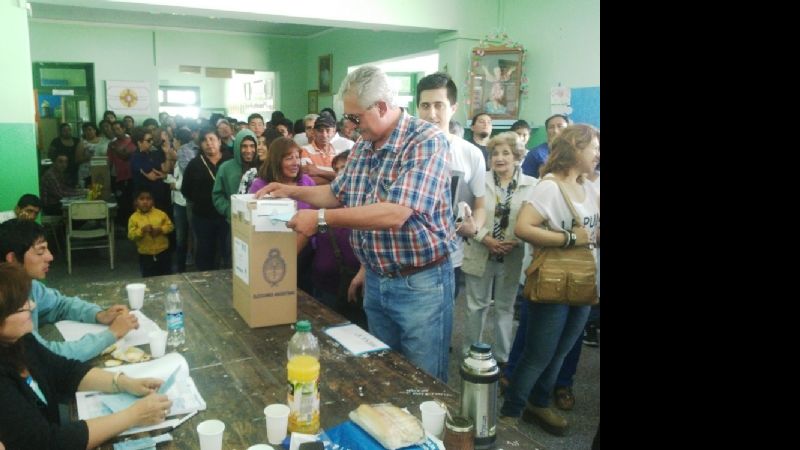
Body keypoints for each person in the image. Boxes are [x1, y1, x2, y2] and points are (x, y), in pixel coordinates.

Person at [254, 66, 456, 382]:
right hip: (377, 278)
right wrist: (291, 189)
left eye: (355, 118)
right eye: (347, 118)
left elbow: (395, 213)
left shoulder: (425, 142)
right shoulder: (363, 145)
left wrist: (319, 219)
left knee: (422, 380)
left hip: (419, 284)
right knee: (385, 372)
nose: (349, 126)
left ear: (382, 107)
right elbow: (337, 193)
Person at [0, 262, 172, 450]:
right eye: (21, 306)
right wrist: (133, 416)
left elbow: (65, 371)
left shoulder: (20, 342)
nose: (32, 306)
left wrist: (124, 382)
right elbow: (48, 442)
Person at [500, 124, 600, 436]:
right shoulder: (549, 186)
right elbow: (524, 228)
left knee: (562, 351)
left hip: (583, 280)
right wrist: (571, 237)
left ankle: (539, 402)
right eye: (594, 148)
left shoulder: (592, 186)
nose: (598, 154)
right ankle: (510, 413)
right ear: (575, 148)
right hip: (554, 280)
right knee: (538, 354)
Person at [0, 219, 139, 362]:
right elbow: (44, 355)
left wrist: (99, 315)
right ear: (12, 258)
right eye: (40, 251)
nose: (50, 257)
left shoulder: (28, 284)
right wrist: (112, 334)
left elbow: (60, 305)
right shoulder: (6, 299)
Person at [461, 132, 536, 364]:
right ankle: (471, 353)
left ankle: (503, 358)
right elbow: (464, 217)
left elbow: (536, 221)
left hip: (512, 255)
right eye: (495, 153)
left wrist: (517, 241)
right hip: (480, 249)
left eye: (506, 153)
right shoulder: (477, 180)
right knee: (476, 306)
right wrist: (485, 238)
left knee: (505, 308)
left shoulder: (533, 185)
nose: (499, 157)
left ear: (517, 156)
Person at [416, 72, 486, 300]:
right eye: (425, 106)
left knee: (439, 327)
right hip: (407, 256)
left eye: (439, 105)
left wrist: (473, 227)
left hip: (448, 258)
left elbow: (480, 205)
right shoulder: (404, 150)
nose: (431, 114)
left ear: (453, 108)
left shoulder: (470, 154)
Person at [181, 128, 230, 271]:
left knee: (227, 251)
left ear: (220, 142)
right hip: (203, 216)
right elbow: (186, 189)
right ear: (200, 144)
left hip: (226, 216)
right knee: (204, 251)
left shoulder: (230, 161)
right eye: (204, 140)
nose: (209, 143)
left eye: (212, 139)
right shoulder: (195, 164)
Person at [212, 128, 259, 222]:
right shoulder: (225, 168)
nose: (249, 150)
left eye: (252, 146)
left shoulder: (263, 167)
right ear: (237, 147)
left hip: (258, 221)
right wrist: (229, 211)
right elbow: (217, 195)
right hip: (234, 221)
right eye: (244, 146)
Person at [128, 188, 174, 277]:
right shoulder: (133, 218)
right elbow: (131, 235)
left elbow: (170, 226)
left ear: (153, 201)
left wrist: (161, 230)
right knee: (149, 279)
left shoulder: (161, 214)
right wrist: (141, 231)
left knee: (167, 277)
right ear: (136, 202)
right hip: (145, 255)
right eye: (141, 199)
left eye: (148, 199)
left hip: (163, 253)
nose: (145, 202)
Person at [521, 114, 569, 178]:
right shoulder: (536, 154)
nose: (555, 131)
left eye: (560, 126)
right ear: (546, 131)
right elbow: (525, 180)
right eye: (551, 127)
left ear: (568, 129)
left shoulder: (576, 152)